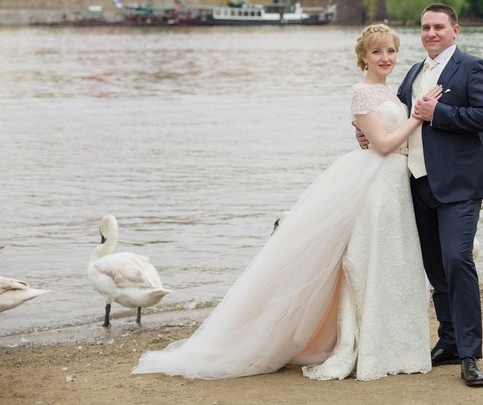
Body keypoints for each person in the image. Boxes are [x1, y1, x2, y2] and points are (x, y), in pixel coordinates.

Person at [133, 23, 439, 381]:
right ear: (363, 57)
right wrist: (417, 117)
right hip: (374, 183)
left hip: (394, 183)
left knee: (393, 262)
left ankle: (395, 345)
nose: (385, 58)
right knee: (366, 262)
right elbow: (383, 144)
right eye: (377, 52)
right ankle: (365, 345)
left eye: (390, 51)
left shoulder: (391, 93)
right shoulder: (362, 93)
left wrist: (406, 120)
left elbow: (388, 139)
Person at [359, 3, 483, 387]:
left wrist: (440, 113)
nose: (431, 33)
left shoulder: (473, 68)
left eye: (439, 26)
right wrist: (367, 134)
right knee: (435, 269)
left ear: (455, 30)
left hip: (459, 186)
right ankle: (450, 340)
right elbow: (401, 118)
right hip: (416, 184)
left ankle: (471, 355)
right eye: (425, 27)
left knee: (458, 261)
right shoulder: (412, 73)